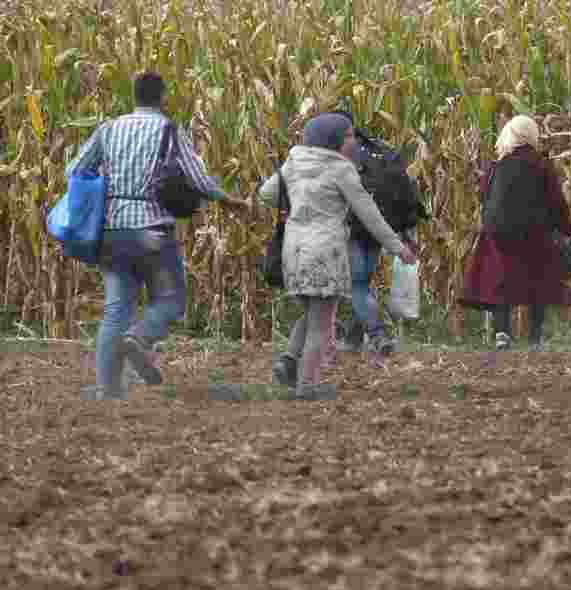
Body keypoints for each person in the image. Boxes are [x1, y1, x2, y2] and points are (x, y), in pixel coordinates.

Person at [67, 72, 250, 400]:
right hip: (152, 232)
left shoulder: (108, 129)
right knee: (170, 300)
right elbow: (199, 181)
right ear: (162, 97)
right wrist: (230, 201)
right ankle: (140, 338)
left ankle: (108, 390)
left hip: (111, 234)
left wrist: (107, 190)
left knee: (115, 309)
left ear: (133, 95)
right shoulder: (169, 130)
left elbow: (76, 170)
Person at [257, 113, 416, 398]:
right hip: (324, 252)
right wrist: (398, 247)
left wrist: (299, 201)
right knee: (322, 323)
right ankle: (307, 386)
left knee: (311, 313)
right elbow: (370, 215)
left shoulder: (294, 162)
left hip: (293, 251)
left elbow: (267, 194)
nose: (353, 141)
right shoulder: (341, 170)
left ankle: (288, 362)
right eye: (348, 136)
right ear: (334, 140)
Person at [460, 115, 571, 351]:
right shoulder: (542, 165)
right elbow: (556, 202)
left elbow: (483, 196)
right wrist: (564, 232)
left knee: (501, 280)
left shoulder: (497, 165)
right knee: (538, 281)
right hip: (536, 234)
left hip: (499, 234)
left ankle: (502, 333)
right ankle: (534, 337)